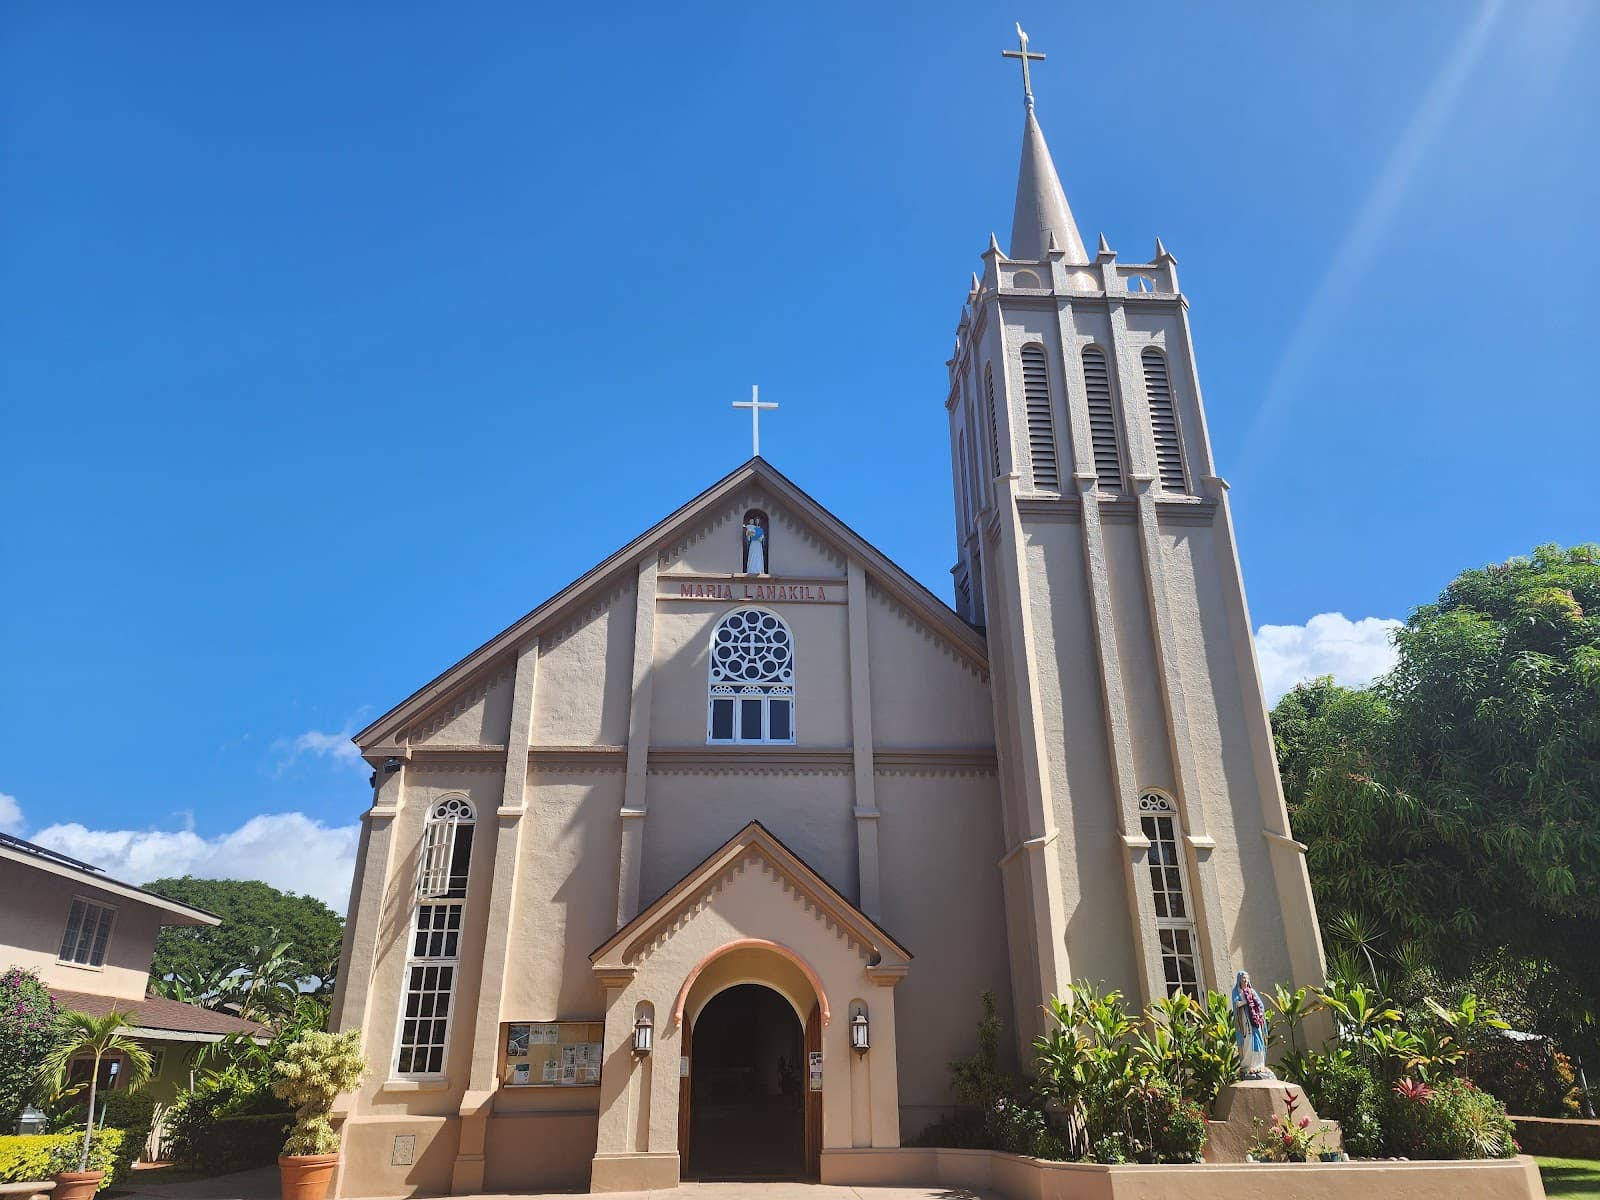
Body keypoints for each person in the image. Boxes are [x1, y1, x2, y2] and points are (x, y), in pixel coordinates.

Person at [1231, 969, 1274, 1079]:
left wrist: (1259, 1013)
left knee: (1258, 1040)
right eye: (1243, 978)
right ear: (1239, 980)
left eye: (1246, 978)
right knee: (1248, 1042)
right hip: (1245, 1022)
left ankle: (1259, 1064)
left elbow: (1260, 1005)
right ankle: (1248, 1065)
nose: (1245, 980)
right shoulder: (1237, 992)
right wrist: (1245, 1002)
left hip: (1255, 1022)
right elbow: (1236, 1005)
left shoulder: (1252, 991)